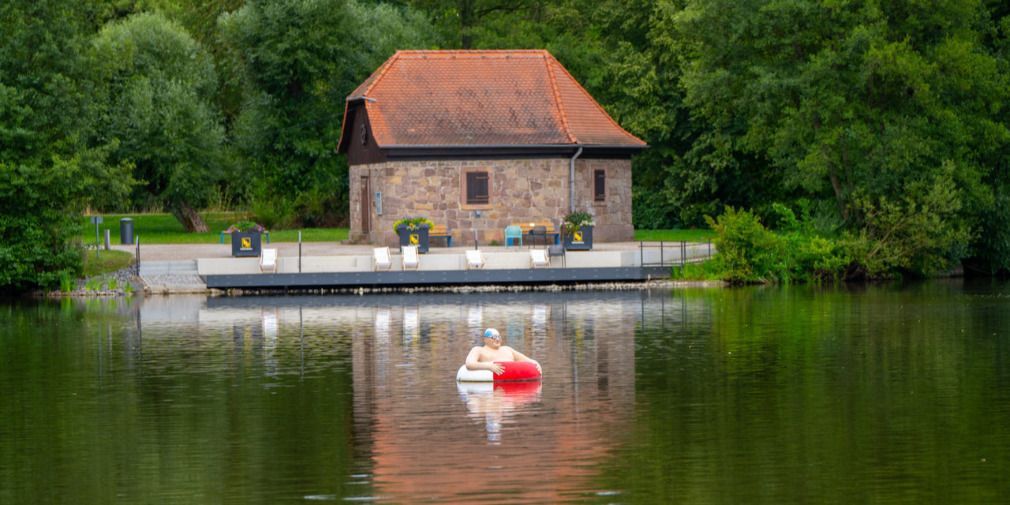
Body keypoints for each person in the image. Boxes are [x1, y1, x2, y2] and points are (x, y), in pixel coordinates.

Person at [465, 328, 541, 375]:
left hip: (513, 387)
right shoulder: (478, 350)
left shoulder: (507, 349)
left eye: (499, 337)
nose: (497, 339)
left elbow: (528, 360)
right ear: (485, 339)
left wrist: (536, 363)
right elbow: (469, 364)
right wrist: (489, 366)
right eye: (494, 337)